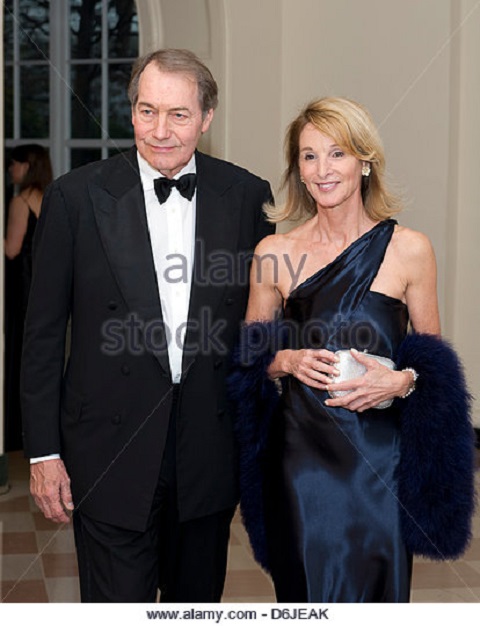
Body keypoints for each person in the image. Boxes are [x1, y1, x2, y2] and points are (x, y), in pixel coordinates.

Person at [20, 48, 274, 603]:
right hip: (106, 449)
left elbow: (267, 325)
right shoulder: (75, 197)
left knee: (195, 605)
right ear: (130, 111)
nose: (160, 131)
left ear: (207, 118)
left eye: (179, 114)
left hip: (208, 449)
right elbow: (40, 336)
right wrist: (43, 453)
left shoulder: (248, 197)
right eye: (146, 111)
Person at [229, 97, 475, 602]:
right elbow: (249, 359)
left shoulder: (410, 248)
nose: (322, 170)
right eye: (309, 156)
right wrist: (290, 360)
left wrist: (401, 380)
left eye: (336, 153)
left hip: (382, 464)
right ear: (297, 168)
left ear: (365, 161)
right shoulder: (274, 253)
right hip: (300, 462)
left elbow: (431, 367)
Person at [4, 144, 53, 451]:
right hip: (45, 288)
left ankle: (13, 432)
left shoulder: (21, 201)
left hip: (21, 288)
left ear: (26, 166)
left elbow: (11, 249)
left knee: (17, 356)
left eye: (13, 164)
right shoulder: (51, 197)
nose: (10, 170)